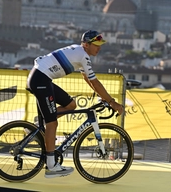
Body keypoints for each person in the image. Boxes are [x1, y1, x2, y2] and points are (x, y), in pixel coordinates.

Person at [27, 30, 124, 178]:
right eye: (96, 44)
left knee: (71, 105)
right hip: (40, 79)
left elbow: (88, 79)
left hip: (42, 78)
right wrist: (112, 102)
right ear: (86, 44)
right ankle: (51, 166)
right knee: (52, 123)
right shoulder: (82, 55)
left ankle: (41, 123)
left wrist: (103, 98)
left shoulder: (80, 54)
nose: (99, 48)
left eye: (100, 45)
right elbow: (95, 82)